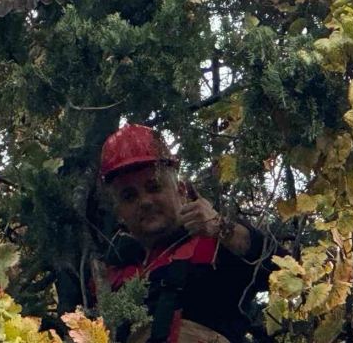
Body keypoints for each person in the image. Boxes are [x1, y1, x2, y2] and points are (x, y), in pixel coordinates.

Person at [97, 124, 283, 343]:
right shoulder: (113, 272)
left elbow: (286, 270)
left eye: (154, 187)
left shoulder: (213, 243)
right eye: (129, 196)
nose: (145, 201)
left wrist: (221, 228)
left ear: (181, 191)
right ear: (119, 213)